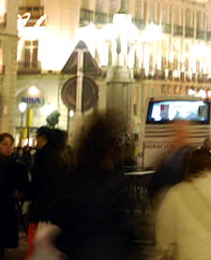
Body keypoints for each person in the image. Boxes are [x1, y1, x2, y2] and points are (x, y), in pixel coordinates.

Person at [40, 110, 140, 259]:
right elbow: (122, 224)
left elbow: (59, 216)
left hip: (81, 251)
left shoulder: (73, 178)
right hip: (105, 251)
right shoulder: (112, 183)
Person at [0, 133, 30, 260]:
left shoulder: (17, 165)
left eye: (11, 144)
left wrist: (19, 194)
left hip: (4, 209)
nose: (9, 147)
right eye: (5, 144)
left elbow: (24, 187)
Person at [26, 126, 71, 255]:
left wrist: (28, 194)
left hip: (43, 209)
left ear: (44, 138)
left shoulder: (45, 156)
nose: (36, 140)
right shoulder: (64, 156)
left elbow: (39, 181)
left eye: (37, 137)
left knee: (37, 246)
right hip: (58, 210)